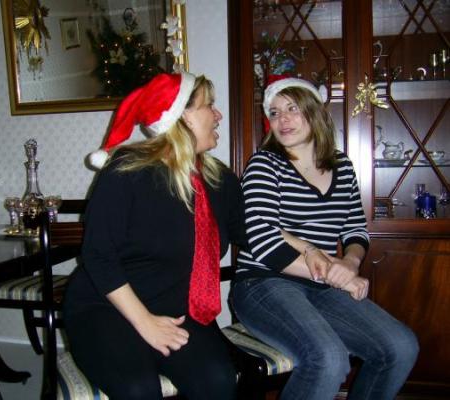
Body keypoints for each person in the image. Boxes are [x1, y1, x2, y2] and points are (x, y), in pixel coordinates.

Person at [231, 76, 419, 400]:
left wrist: (350, 262)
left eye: (292, 108)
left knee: (400, 347)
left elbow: (355, 228)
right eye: (274, 112)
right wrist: (334, 275)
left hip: (320, 286)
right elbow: (261, 239)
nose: (282, 119)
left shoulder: (342, 165)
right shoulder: (265, 164)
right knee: (328, 359)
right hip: (262, 283)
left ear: (315, 112)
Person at [62, 72, 245, 400]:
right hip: (106, 307)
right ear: (182, 117)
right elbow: (98, 255)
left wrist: (314, 255)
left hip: (178, 311)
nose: (218, 114)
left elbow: (255, 235)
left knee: (218, 381)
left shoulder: (221, 181)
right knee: (138, 389)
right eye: (210, 105)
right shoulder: (128, 170)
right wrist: (145, 322)